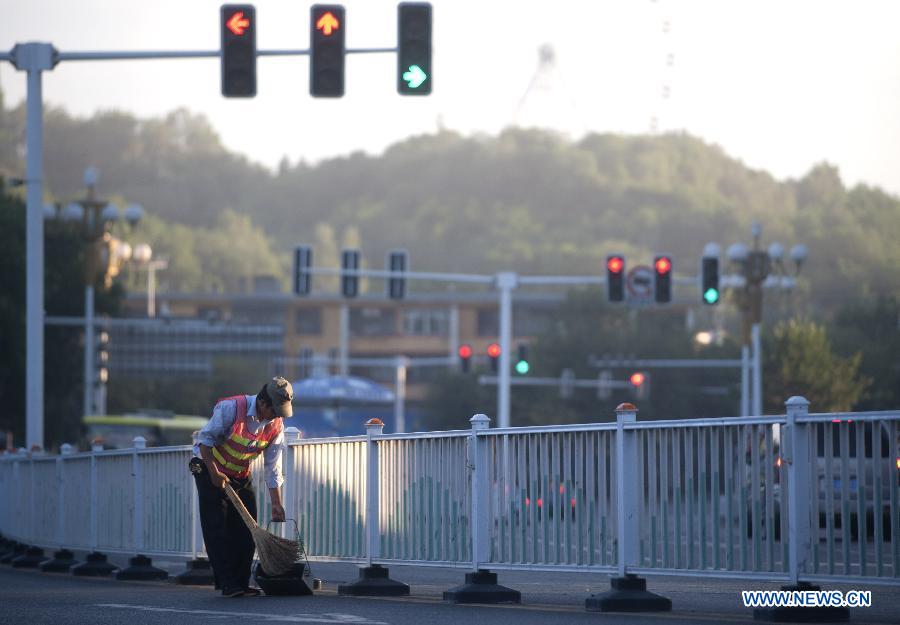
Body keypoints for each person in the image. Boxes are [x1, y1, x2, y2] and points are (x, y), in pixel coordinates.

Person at [190, 376, 293, 597]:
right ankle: (228, 584)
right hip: (207, 467)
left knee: (248, 529)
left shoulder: (275, 425)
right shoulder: (231, 408)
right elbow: (204, 441)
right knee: (217, 528)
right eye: (274, 410)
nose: (276, 416)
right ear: (263, 403)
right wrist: (214, 473)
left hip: (238, 473)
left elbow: (272, 467)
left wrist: (277, 503)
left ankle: (241, 582)